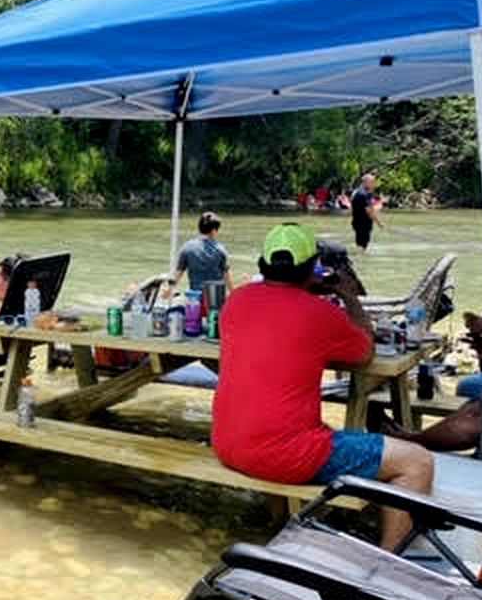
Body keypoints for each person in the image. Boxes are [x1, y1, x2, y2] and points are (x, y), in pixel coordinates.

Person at [212, 222, 433, 550]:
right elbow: (364, 351)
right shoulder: (320, 313)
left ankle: (277, 521)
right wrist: (346, 295)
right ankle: (388, 561)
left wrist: (304, 288)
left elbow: (278, 318)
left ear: (265, 263)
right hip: (280, 456)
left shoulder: (237, 301)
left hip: (228, 443)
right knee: (417, 461)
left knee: (289, 424)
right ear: (310, 269)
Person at [163, 211, 234, 299]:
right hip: (215, 299)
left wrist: (168, 290)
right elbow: (227, 278)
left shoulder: (187, 248)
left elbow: (178, 274)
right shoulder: (220, 250)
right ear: (214, 231)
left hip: (195, 298)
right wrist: (234, 296)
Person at [350, 173, 384, 253]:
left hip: (357, 222)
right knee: (362, 245)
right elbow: (369, 211)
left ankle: (360, 256)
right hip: (363, 224)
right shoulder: (363, 194)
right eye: (372, 182)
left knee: (360, 244)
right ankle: (361, 257)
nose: (374, 184)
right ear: (365, 182)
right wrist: (379, 223)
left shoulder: (357, 192)